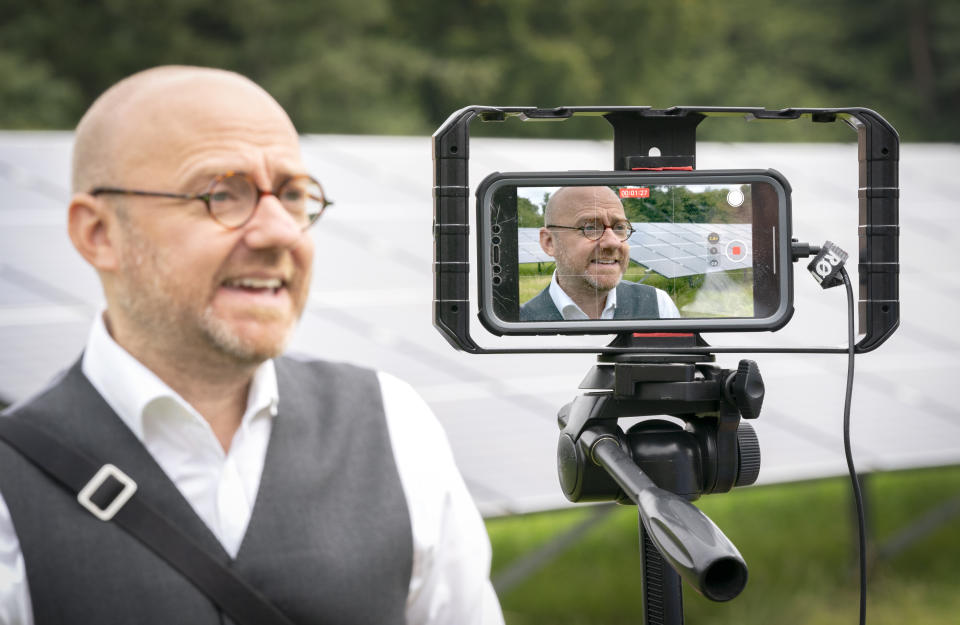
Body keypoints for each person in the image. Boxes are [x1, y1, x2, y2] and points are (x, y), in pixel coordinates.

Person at [0, 66, 504, 625]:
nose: (281, 232)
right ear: (99, 234)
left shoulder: (394, 424)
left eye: (292, 195)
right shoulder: (9, 488)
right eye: (222, 194)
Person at [520, 186, 681, 321]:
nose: (613, 242)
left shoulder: (659, 306)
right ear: (549, 242)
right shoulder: (518, 321)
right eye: (590, 228)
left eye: (619, 228)